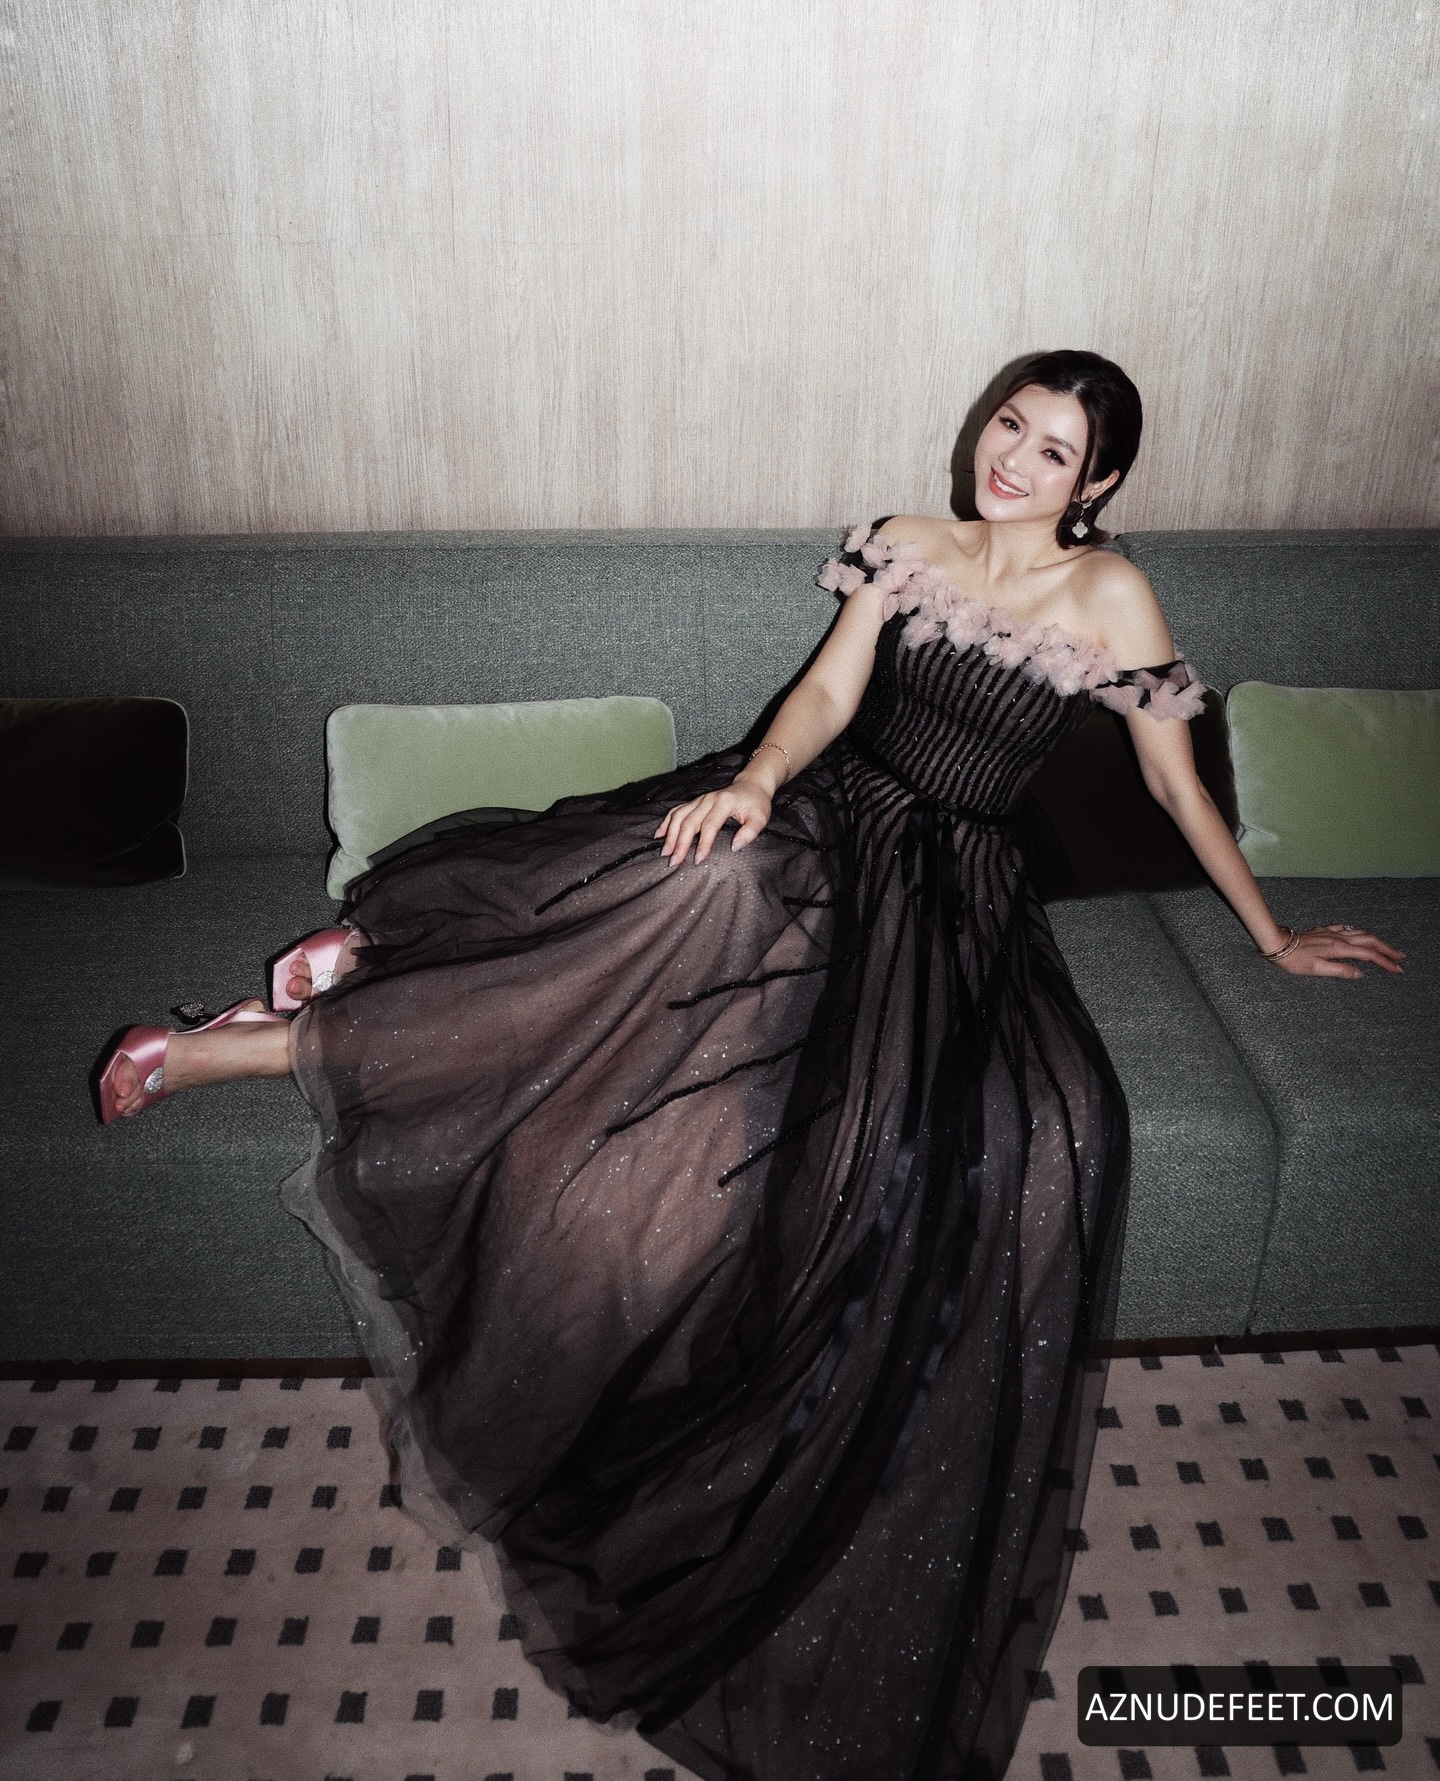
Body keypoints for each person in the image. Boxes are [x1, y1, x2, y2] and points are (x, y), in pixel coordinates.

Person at [94, 351, 1401, 1781]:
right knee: (692, 877)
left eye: (1054, 449)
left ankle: (298, 1008)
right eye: (1010, 424)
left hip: (957, 892)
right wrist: (759, 780)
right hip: (830, 814)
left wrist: (1273, 933)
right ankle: (321, 995)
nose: (1013, 459)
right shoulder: (908, 542)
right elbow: (828, 694)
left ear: (1101, 481)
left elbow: (1170, 779)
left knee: (1053, 1118)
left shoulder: (1112, 598)